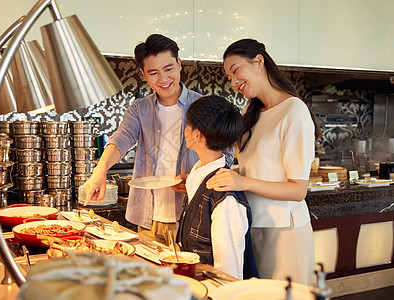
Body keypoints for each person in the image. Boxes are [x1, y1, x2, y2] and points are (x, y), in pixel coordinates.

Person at [82, 34, 233, 245]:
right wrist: (101, 170)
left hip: (190, 213)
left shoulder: (203, 106)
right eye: (153, 72)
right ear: (143, 74)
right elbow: (122, 137)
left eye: (169, 69)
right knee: (151, 274)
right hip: (147, 216)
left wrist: (197, 177)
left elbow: (226, 153)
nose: (163, 79)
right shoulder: (139, 108)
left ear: (179, 64)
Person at [206, 39, 321, 285]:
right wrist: (207, 178)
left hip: (284, 232)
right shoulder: (251, 113)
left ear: (258, 61)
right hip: (254, 224)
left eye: (235, 70)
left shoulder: (294, 111)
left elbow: (297, 189)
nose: (233, 81)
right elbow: (254, 170)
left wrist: (242, 181)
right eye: (228, 77)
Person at [176, 95, 259, 280]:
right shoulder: (199, 177)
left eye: (188, 124)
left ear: (197, 134)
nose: (185, 130)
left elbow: (228, 273)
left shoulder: (226, 198)